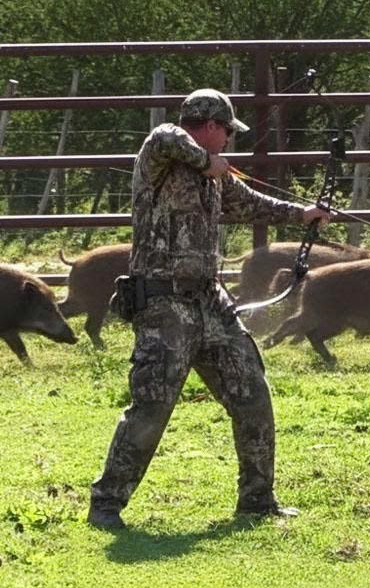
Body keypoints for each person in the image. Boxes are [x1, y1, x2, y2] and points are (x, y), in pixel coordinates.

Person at [87, 88, 330, 530]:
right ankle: (106, 504)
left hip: (210, 301)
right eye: (226, 134)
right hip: (163, 301)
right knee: (152, 406)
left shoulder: (215, 176)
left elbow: (252, 203)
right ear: (211, 127)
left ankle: (257, 500)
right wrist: (205, 161)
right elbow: (165, 135)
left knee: (252, 393)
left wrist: (304, 214)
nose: (229, 144)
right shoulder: (161, 154)